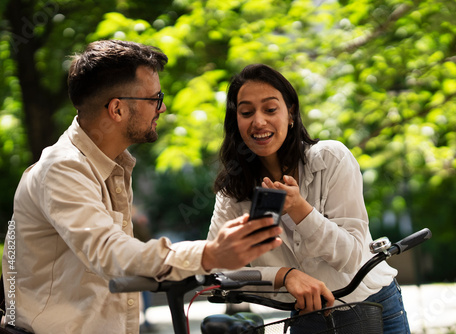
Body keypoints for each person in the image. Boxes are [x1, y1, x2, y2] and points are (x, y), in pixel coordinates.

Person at [1, 41, 282, 334]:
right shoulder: (63, 168)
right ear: (117, 109)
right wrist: (209, 254)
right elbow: (110, 252)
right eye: (155, 98)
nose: (163, 107)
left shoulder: (112, 165)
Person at [208, 64, 410, 333]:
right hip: (306, 318)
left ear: (291, 113)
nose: (258, 121)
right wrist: (283, 276)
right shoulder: (232, 192)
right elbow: (217, 272)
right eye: (246, 112)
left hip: (373, 306)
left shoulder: (331, 159)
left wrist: (300, 209)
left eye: (270, 109)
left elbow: (351, 257)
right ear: (236, 121)